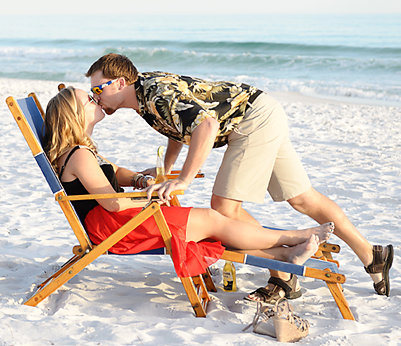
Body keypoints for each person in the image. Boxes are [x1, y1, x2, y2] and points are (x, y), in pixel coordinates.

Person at [85, 54, 393, 300]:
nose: (95, 97)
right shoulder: (145, 95)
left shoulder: (155, 95)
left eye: (98, 89)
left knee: (222, 209)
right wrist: (167, 169)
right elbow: (178, 129)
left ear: (120, 82)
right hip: (263, 109)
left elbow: (205, 126)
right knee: (302, 198)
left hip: (250, 120)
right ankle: (371, 254)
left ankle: (282, 274)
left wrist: (184, 180)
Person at [43, 85, 334, 281]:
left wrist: (137, 178)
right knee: (212, 219)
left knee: (209, 226)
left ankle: (285, 256)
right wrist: (149, 195)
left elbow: (112, 171)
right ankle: (294, 236)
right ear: (74, 115)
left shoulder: (83, 150)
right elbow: (112, 201)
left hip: (118, 219)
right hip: (114, 224)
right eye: (89, 100)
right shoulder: (79, 154)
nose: (97, 101)